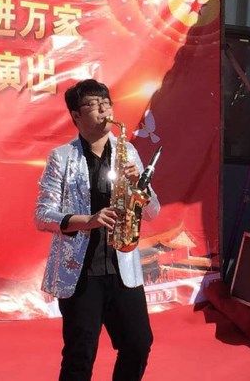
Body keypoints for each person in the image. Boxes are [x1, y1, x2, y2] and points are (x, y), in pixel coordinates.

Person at [35, 79, 160, 380]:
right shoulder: (61, 157)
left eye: (106, 103)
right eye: (93, 104)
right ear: (76, 116)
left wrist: (139, 184)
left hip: (123, 267)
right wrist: (88, 220)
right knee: (80, 354)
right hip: (81, 272)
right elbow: (42, 216)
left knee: (138, 343)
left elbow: (152, 211)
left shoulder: (128, 151)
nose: (103, 110)